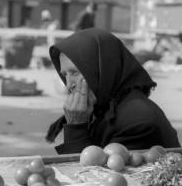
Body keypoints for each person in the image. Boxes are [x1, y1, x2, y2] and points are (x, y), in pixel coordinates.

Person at [46, 28, 180, 154]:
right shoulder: (104, 107)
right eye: (65, 75)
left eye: (75, 72)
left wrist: (77, 126)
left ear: (104, 70)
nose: (69, 85)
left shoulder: (138, 121)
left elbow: (87, 175)